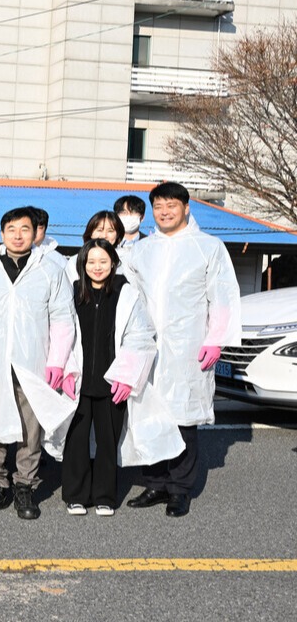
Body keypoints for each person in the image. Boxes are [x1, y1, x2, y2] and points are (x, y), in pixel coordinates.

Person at [125, 182, 241, 518]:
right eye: (158, 206)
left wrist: (215, 339)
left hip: (187, 345)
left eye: (171, 205)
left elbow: (223, 295)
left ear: (186, 208)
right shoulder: (142, 250)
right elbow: (131, 297)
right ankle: (155, 482)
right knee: (148, 415)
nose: (164, 212)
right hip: (148, 343)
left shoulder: (208, 247)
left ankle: (179, 489)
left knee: (182, 418)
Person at [0, 207, 76, 520]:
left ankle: (25, 485)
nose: (17, 235)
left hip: (33, 362)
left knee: (31, 427)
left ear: (35, 232)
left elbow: (64, 318)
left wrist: (57, 361)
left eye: (24, 229)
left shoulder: (50, 269)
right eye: (11, 229)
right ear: (2, 233)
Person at [59, 240, 159, 517]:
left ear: (113, 263)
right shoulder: (72, 294)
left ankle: (105, 495)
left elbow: (140, 336)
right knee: (76, 440)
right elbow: (60, 333)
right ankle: (76, 495)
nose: (97, 267)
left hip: (112, 381)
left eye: (103, 261)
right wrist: (67, 369)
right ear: (82, 264)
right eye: (91, 262)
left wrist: (127, 376)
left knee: (107, 440)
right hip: (79, 380)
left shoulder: (126, 294)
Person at [64, 211, 127, 285]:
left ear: (118, 235)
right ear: (90, 233)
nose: (104, 235)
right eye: (99, 230)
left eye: (110, 231)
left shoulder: (127, 259)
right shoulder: (75, 261)